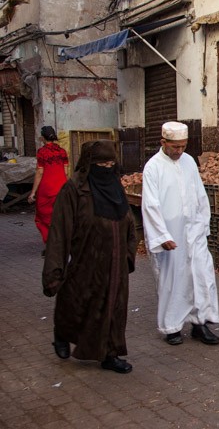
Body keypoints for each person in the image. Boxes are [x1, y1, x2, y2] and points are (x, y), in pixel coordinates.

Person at [42, 140, 137, 373]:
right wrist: (54, 272)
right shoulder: (74, 189)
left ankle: (110, 354)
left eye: (111, 163)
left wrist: (128, 254)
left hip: (115, 265)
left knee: (114, 306)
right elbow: (59, 232)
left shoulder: (115, 186)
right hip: (86, 260)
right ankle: (62, 333)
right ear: (89, 165)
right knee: (78, 300)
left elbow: (129, 222)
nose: (107, 167)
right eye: (101, 163)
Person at [142, 121, 219, 346]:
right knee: (172, 281)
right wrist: (162, 236)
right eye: (175, 147)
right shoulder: (153, 167)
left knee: (201, 276)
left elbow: (199, 194)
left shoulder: (188, 162)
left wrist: (202, 223)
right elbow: (150, 205)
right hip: (170, 235)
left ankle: (200, 323)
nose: (179, 151)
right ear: (163, 143)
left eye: (183, 147)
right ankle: (172, 327)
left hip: (193, 231)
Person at [28, 126, 69, 247]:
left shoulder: (42, 152)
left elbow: (40, 172)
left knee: (43, 217)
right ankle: (61, 242)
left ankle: (50, 243)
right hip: (61, 187)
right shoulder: (62, 151)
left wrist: (33, 192)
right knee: (60, 215)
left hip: (47, 188)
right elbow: (66, 172)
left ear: (43, 138)